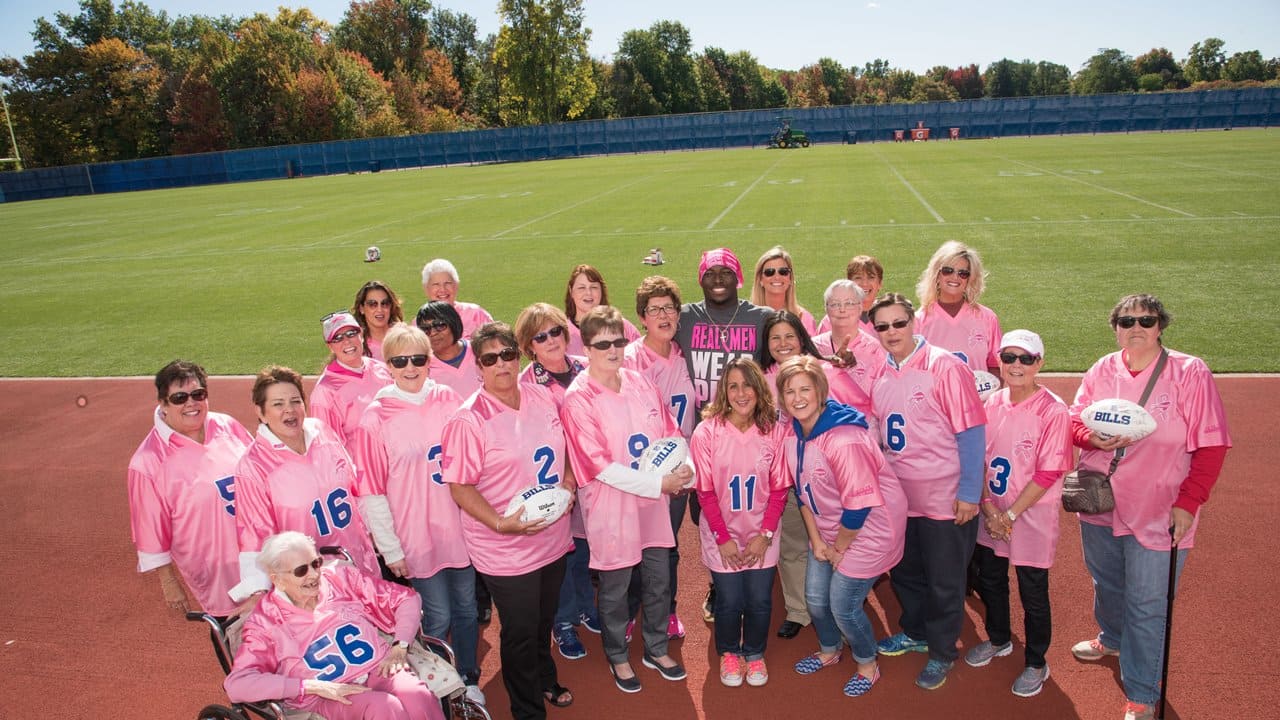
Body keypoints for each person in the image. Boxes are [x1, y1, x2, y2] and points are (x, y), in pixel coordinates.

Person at [1068, 294, 1230, 720]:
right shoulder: (1103, 368)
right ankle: (1112, 635)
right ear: (1115, 326)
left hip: (1160, 509)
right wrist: (1089, 438)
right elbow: (1074, 419)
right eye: (1126, 320)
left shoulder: (1188, 372)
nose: (1135, 327)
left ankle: (1141, 693)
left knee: (1147, 603)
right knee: (1106, 581)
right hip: (1100, 501)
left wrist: (1189, 503)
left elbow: (1212, 445)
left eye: (1146, 319)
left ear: (1161, 326)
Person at [442, 322, 575, 720]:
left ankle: (545, 675)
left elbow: (566, 449)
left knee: (544, 620)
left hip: (552, 536)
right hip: (505, 548)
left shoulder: (541, 396)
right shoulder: (468, 421)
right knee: (518, 631)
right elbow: (461, 488)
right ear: (478, 367)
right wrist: (501, 523)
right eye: (490, 358)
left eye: (508, 355)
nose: (501, 364)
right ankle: (527, 708)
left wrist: (568, 483)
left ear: (519, 357)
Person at [561, 305, 692, 694]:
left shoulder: (639, 381)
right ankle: (618, 655)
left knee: (658, 580)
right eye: (603, 344)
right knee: (616, 589)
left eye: (619, 341)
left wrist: (684, 466)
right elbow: (600, 467)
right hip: (612, 509)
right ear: (586, 348)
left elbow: (672, 432)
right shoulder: (577, 398)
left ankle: (654, 647)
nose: (614, 350)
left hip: (652, 505)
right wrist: (660, 485)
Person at [350, 325, 483, 705]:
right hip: (415, 533)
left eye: (419, 358)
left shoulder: (447, 398)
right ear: (386, 365)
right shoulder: (375, 417)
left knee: (468, 608)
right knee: (437, 615)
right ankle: (442, 686)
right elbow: (371, 489)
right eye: (400, 360)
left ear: (430, 360)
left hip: (458, 524)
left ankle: (469, 678)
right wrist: (390, 548)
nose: (411, 367)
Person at [868, 293, 986, 691]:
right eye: (882, 326)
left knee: (945, 580)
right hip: (901, 501)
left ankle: (941, 651)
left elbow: (970, 431)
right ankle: (916, 631)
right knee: (906, 573)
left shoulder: (945, 366)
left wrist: (970, 492)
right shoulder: (880, 372)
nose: (891, 332)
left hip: (943, 498)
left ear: (913, 322)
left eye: (898, 323)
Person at [778, 356, 907, 698]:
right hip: (828, 529)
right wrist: (817, 540)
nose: (798, 397)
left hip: (867, 529)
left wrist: (838, 549)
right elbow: (801, 494)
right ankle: (830, 650)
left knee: (843, 605)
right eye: (789, 391)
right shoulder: (793, 435)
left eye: (805, 388)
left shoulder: (844, 440)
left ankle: (867, 663)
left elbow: (858, 506)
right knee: (816, 599)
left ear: (821, 392)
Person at [224, 532, 444, 720]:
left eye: (316, 563)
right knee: (383, 708)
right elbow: (237, 684)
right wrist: (310, 686)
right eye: (301, 570)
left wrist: (400, 645)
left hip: (378, 666)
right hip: (329, 693)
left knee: (417, 694)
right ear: (277, 579)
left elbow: (407, 599)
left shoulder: (340, 578)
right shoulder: (266, 621)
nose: (313, 574)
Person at [965, 330, 1073, 698]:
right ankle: (999, 639)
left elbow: (1048, 473)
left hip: (1028, 517)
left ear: (1039, 363)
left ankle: (1037, 662)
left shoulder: (1054, 410)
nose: (1016, 366)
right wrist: (990, 508)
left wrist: (1008, 516)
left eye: (1025, 359)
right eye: (1009, 358)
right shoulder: (992, 403)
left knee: (1033, 592)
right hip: (991, 512)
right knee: (991, 579)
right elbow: (976, 460)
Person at [230, 366, 379, 601]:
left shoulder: (322, 431)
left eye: (295, 401)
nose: (289, 410)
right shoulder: (253, 466)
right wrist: (260, 592)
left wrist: (377, 535)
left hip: (360, 561)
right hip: (311, 582)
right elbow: (255, 537)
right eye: (278, 404)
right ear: (260, 411)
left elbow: (354, 489)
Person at [127, 360, 253, 619]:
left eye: (198, 394)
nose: (191, 403)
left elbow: (259, 470)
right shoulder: (148, 461)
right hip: (217, 568)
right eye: (179, 398)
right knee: (238, 635)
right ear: (163, 403)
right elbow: (150, 528)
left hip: (258, 550)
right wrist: (169, 582)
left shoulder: (226, 426)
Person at [691, 358, 789, 688]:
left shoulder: (774, 431)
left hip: (763, 532)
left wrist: (765, 534)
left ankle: (755, 652)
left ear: (759, 389)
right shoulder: (707, 431)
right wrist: (723, 538)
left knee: (760, 599)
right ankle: (730, 652)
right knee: (730, 600)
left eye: (747, 384)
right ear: (723, 391)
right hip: (723, 534)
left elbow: (778, 491)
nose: (741, 393)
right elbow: (704, 492)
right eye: (732, 386)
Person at [514, 303, 598, 661]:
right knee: (561, 554)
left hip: (592, 476)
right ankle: (562, 621)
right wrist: (564, 480)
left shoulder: (584, 367)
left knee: (584, 549)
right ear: (529, 345)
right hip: (556, 482)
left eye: (556, 331)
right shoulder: (525, 383)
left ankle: (583, 605)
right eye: (540, 336)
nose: (551, 340)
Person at [624, 276, 698, 639]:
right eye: (655, 310)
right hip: (643, 469)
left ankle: (666, 611)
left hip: (680, 466)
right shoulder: (630, 359)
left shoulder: (687, 354)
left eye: (669, 308)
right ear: (642, 317)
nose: (664, 315)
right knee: (637, 545)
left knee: (669, 544)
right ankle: (630, 611)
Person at [676, 247, 773, 415]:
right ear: (701, 280)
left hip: (748, 424)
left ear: (738, 278)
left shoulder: (762, 318)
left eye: (726, 272)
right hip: (701, 428)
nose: (718, 280)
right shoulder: (683, 317)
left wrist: (825, 358)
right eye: (709, 274)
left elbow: (792, 350)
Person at [913, 241, 1002, 375]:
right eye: (948, 271)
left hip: (976, 396)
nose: (955, 277)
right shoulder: (919, 321)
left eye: (963, 273)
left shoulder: (987, 318)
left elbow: (996, 365)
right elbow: (913, 372)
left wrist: (990, 392)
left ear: (970, 278)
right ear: (937, 274)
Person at [309, 311, 393, 447]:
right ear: (330, 346)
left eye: (351, 334)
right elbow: (328, 447)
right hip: (361, 467)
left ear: (361, 336)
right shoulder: (325, 391)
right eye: (337, 338)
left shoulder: (382, 369)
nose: (346, 341)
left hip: (395, 460)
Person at [811, 280, 886, 417]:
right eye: (835, 304)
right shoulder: (813, 348)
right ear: (826, 309)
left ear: (860, 308)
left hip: (863, 431)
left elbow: (883, 402)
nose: (842, 309)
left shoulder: (875, 351)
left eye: (849, 303)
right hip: (820, 431)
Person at [563, 264, 641, 356]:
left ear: (601, 291)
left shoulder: (623, 327)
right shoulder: (562, 334)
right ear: (571, 291)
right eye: (581, 288)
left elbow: (640, 358)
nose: (588, 293)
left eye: (594, 287)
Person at [415, 301, 481, 402]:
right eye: (425, 329)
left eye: (439, 325)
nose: (432, 333)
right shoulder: (421, 368)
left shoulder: (480, 351)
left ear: (453, 323)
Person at [421, 258, 493, 340]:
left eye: (448, 283)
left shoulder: (477, 315)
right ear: (426, 289)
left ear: (456, 285)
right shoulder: (419, 323)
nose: (443, 289)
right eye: (436, 284)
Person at [750, 245, 815, 334]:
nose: (777, 277)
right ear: (760, 280)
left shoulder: (805, 318)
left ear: (790, 278)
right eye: (769, 272)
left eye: (783, 271)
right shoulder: (748, 319)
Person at [816, 255, 884, 335]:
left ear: (880, 283)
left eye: (871, 277)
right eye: (858, 278)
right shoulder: (832, 320)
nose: (864, 283)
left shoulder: (888, 315)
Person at [352, 280, 405, 360]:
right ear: (361, 308)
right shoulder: (356, 345)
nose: (380, 309)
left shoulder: (404, 334)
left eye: (385, 303)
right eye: (372, 304)